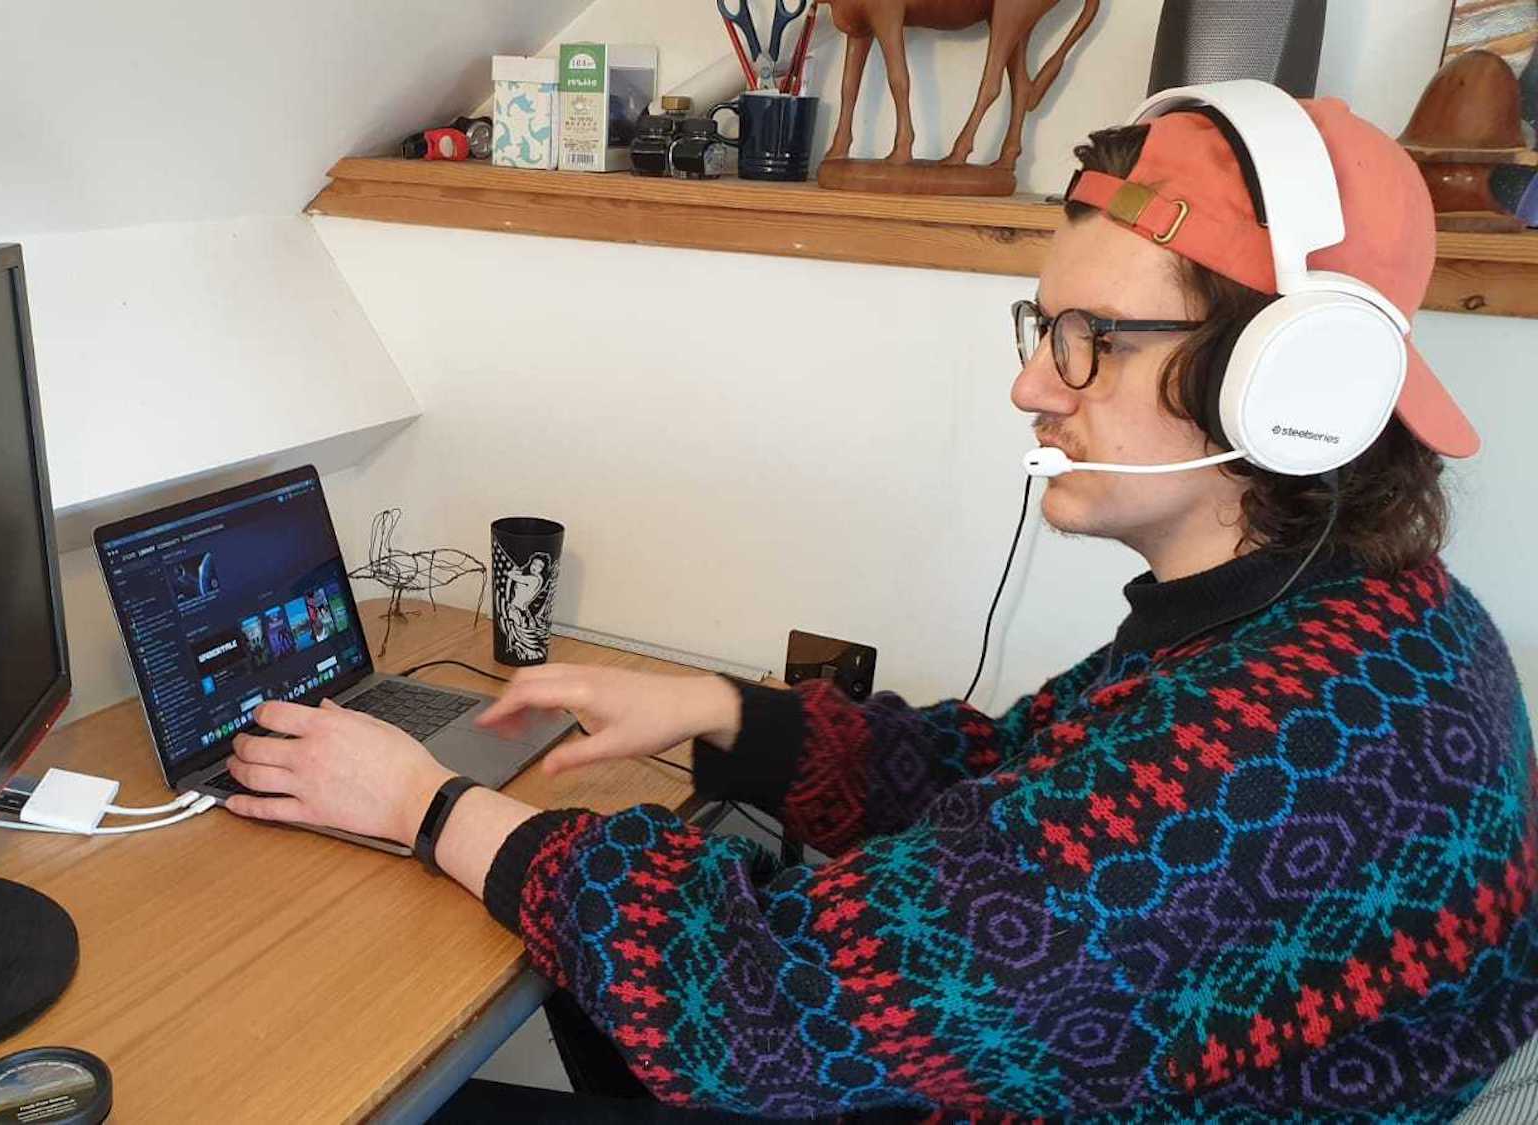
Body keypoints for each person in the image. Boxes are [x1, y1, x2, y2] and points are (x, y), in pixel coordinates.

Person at [217, 86, 1536, 1121]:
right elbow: (1018, 781)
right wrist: (726, 712)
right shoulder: (1341, 617)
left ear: (1287, 382)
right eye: (1041, 329)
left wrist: (425, 804)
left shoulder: (1279, 745)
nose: (1036, 387)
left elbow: (761, 1006)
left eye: (1091, 337)